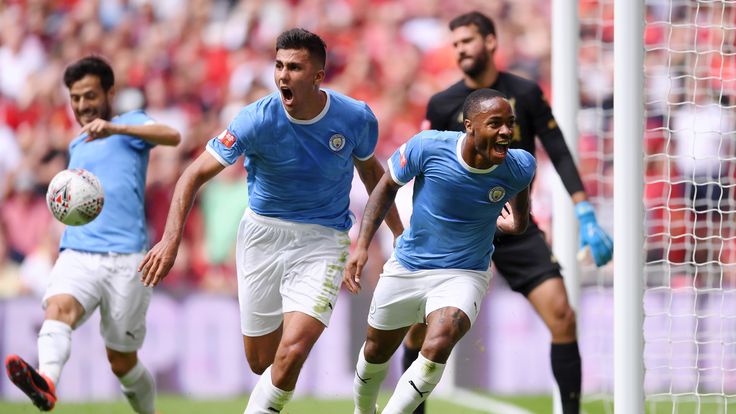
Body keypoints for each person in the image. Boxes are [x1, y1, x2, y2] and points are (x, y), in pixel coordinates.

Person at [137, 28, 403, 414]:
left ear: (317, 76)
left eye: (294, 67)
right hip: (262, 236)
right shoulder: (256, 119)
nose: (282, 76)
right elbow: (192, 174)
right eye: (278, 65)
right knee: (263, 362)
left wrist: (396, 234)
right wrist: (170, 239)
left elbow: (374, 177)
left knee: (293, 351)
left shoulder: (355, 118)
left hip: (324, 239)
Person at [403, 11, 614, 414]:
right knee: (416, 331)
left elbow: (558, 150)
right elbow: (424, 173)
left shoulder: (526, 93)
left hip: (515, 225)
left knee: (562, 316)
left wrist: (584, 212)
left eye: (467, 41)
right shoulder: (443, 104)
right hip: (456, 233)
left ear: (491, 42)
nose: (460, 50)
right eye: (456, 44)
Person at [4, 55, 181, 413]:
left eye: (89, 95)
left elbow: (173, 136)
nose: (82, 105)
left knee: (122, 362)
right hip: (79, 251)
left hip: (128, 258)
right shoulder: (76, 144)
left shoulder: (131, 124)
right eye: (75, 98)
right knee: (58, 309)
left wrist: (117, 129)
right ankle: (48, 383)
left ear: (109, 92)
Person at [345, 88, 535, 414]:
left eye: (510, 124)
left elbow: (519, 221)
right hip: (409, 265)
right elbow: (386, 186)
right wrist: (361, 246)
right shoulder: (428, 147)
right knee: (375, 353)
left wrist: (509, 226)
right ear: (470, 126)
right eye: (495, 124)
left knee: (440, 339)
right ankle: (363, 410)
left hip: (465, 273)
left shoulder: (520, 166)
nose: (506, 132)